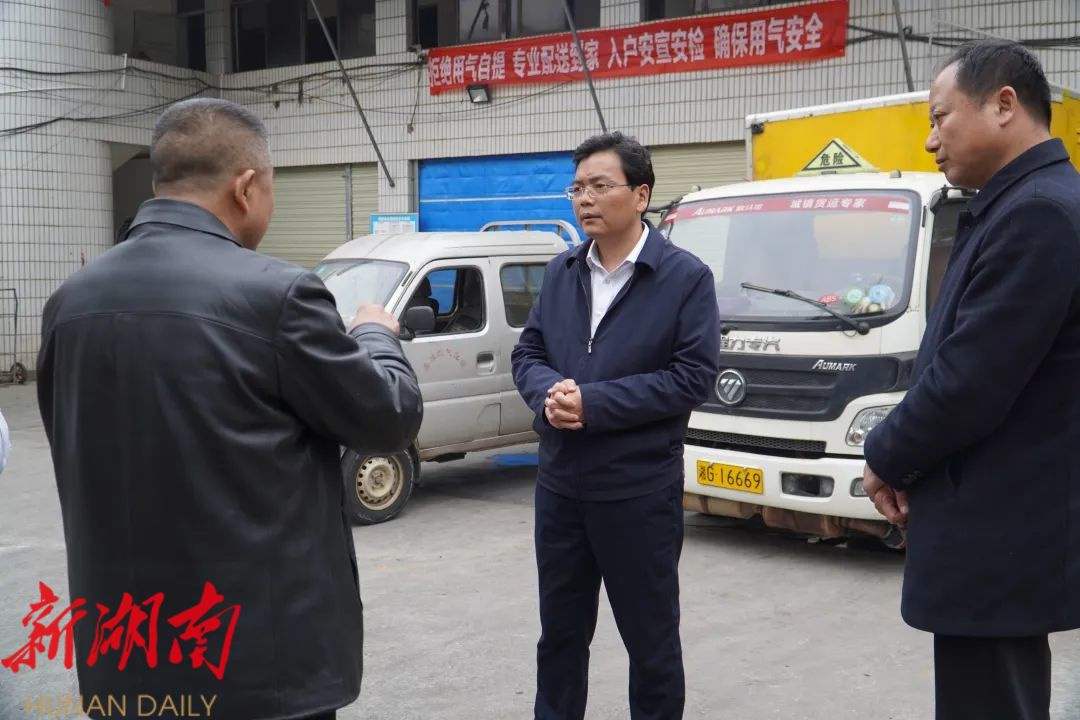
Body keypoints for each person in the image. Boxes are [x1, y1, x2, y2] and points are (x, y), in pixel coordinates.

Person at [36, 98, 423, 720]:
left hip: (125, 656)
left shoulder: (70, 303)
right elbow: (388, 419)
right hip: (256, 667)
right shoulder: (276, 295)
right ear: (246, 188)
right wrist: (375, 333)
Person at [862, 40, 1080, 720]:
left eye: (940, 118)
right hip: (1004, 523)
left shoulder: (1038, 213)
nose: (930, 141)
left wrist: (885, 454)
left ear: (1003, 105)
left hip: (1000, 525)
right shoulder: (1026, 202)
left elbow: (969, 380)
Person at [511, 132, 720, 720]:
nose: (585, 199)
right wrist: (549, 394)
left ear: (641, 195)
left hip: (637, 493)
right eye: (577, 188)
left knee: (650, 645)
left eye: (600, 185)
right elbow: (528, 352)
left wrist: (594, 404)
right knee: (559, 637)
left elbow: (692, 377)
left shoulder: (684, 278)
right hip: (561, 489)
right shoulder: (562, 271)